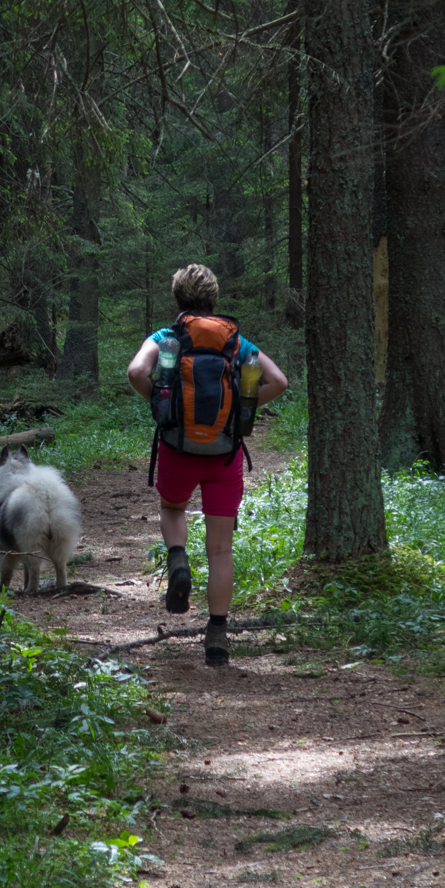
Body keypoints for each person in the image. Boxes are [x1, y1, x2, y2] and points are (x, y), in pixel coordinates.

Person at [127, 264, 288, 666]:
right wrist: (237, 416)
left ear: (178, 300)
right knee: (220, 549)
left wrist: (162, 406)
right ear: (214, 301)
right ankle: (217, 637)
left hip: (177, 448)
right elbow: (279, 381)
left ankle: (178, 557)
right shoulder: (237, 343)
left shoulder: (166, 338)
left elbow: (135, 371)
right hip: (224, 455)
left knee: (172, 507)